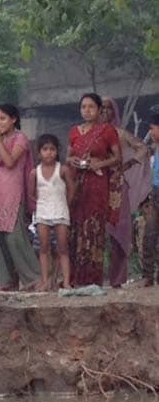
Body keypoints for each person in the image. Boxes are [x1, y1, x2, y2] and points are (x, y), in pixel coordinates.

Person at [0, 104, 40, 290]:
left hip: (12, 193)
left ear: (13, 119)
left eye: (3, 118)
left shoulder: (20, 139)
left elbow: (9, 162)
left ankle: (34, 277)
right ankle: (5, 280)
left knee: (15, 238)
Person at [67, 93, 122, 287]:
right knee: (76, 228)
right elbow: (68, 156)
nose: (87, 110)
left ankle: (92, 279)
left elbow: (117, 158)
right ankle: (74, 277)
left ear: (99, 109)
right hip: (77, 186)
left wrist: (99, 163)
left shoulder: (107, 130)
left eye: (91, 107)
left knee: (93, 229)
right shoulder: (74, 131)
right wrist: (71, 160)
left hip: (97, 184)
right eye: (83, 107)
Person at [100, 97, 153, 288]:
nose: (104, 112)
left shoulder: (120, 134)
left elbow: (142, 148)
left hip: (117, 186)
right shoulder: (91, 134)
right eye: (101, 108)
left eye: (108, 108)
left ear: (114, 112)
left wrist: (129, 164)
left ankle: (117, 279)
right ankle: (93, 278)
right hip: (97, 186)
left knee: (119, 232)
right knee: (95, 233)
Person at [28, 134, 75, 290]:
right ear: (39, 152)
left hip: (61, 212)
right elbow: (31, 193)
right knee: (43, 247)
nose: (49, 153)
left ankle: (66, 281)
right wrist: (41, 205)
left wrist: (65, 204)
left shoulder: (62, 169)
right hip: (43, 213)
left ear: (57, 151)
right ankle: (45, 280)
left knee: (62, 248)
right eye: (45, 149)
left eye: (52, 149)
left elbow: (71, 189)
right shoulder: (35, 172)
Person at [141, 114, 159, 286]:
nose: (150, 132)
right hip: (155, 193)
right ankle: (147, 275)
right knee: (150, 234)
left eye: (153, 128)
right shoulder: (154, 148)